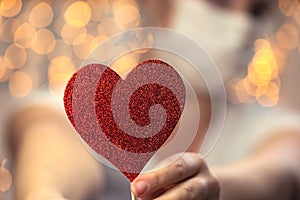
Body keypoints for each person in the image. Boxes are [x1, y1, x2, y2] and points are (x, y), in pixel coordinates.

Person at [7, 0, 300, 200]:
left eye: (257, 9)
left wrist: (210, 186)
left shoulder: (276, 128)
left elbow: (283, 172)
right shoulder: (75, 104)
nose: (241, 22)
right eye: (219, 0)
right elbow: (47, 143)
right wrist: (43, 190)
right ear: (158, 4)